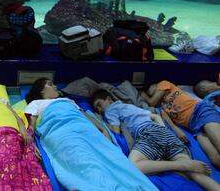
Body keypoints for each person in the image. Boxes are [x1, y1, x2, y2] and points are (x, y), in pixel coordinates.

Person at [25, 78, 158, 191]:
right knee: (84, 161)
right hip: (62, 130)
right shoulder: (36, 103)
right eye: (50, 84)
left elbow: (85, 115)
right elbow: (31, 125)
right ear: (41, 90)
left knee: (113, 159)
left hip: (86, 128)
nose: (54, 86)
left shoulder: (68, 101)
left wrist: (103, 129)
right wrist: (30, 144)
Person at [92, 90, 220, 191]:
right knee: (194, 172)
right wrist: (163, 131)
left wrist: (98, 119)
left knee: (134, 165)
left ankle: (180, 165)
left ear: (109, 99)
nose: (99, 109)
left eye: (99, 105)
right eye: (97, 108)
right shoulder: (129, 106)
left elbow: (115, 130)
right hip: (165, 133)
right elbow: (155, 115)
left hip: (148, 133)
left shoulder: (110, 109)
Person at [141, 80, 220, 169]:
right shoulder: (161, 105)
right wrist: (176, 129)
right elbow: (163, 114)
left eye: (152, 89)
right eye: (150, 93)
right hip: (193, 127)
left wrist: (144, 95)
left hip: (200, 112)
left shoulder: (164, 84)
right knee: (216, 160)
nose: (151, 92)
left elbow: (151, 102)